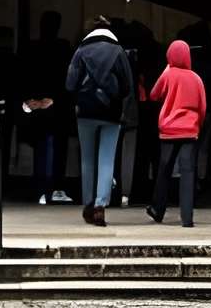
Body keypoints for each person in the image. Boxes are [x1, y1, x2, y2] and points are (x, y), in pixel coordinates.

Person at [63, 20, 134, 225]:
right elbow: (127, 85)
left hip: (85, 111)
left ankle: (87, 203)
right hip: (111, 113)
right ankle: (100, 206)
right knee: (106, 159)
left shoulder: (81, 51)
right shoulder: (118, 51)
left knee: (87, 159)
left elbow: (69, 84)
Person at [140, 36, 208, 226]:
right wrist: (197, 126)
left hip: (169, 130)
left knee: (164, 170)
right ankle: (187, 218)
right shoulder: (196, 78)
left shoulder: (168, 74)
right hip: (190, 131)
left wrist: (166, 71)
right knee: (188, 171)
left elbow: (153, 95)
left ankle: (157, 210)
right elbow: (202, 107)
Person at [21, 11, 72, 204]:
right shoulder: (62, 47)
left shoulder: (32, 47)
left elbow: (25, 74)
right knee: (56, 147)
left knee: (43, 147)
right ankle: (53, 188)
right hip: (53, 102)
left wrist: (32, 99)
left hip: (39, 101)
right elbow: (66, 77)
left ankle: (43, 189)